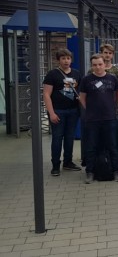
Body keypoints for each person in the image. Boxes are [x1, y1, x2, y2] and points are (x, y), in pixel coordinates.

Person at [79, 54, 118, 183]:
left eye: (100, 64)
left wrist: (110, 109)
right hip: (92, 119)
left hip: (109, 118)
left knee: (113, 145)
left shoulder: (113, 79)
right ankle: (90, 172)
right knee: (91, 146)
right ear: (92, 66)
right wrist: (90, 110)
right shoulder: (86, 80)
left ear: (104, 65)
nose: (98, 67)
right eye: (95, 65)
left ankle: (116, 171)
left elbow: (115, 97)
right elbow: (82, 98)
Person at [42, 48, 82, 176]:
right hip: (58, 111)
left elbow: (80, 92)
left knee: (70, 138)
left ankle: (68, 162)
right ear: (58, 60)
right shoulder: (52, 74)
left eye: (68, 58)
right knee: (57, 138)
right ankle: (55, 165)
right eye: (63, 58)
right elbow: (46, 95)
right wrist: (52, 113)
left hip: (73, 111)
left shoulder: (76, 74)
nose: (66, 61)